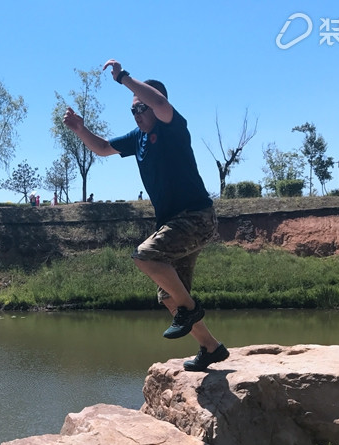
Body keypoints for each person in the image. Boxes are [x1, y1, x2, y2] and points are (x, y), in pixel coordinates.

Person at [62, 59, 229, 371]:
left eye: (142, 108)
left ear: (154, 105)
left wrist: (123, 77)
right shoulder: (136, 138)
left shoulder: (172, 127)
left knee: (144, 255)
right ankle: (211, 347)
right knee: (168, 296)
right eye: (133, 110)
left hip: (196, 216)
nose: (138, 114)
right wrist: (81, 130)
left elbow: (160, 102)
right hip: (173, 223)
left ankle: (190, 310)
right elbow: (101, 148)